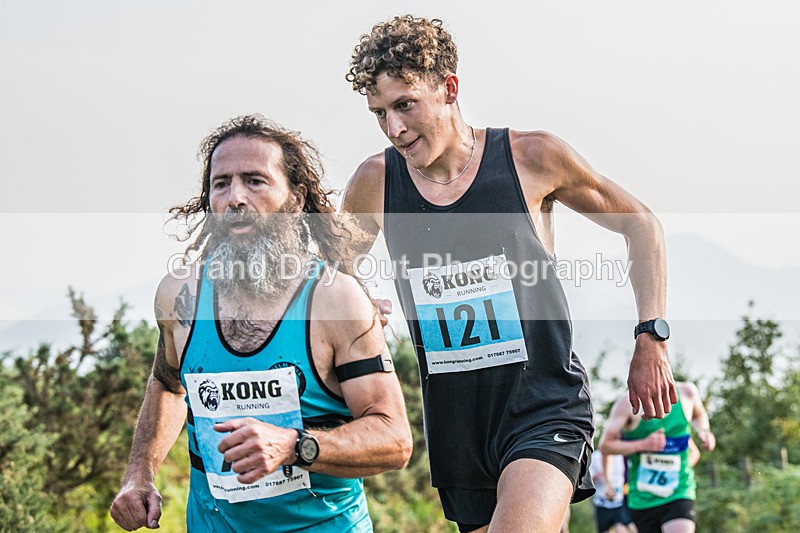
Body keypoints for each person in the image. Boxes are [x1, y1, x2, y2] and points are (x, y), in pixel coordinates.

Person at [342, 15, 677, 533]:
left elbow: (641, 225)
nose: (395, 128)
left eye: (405, 104)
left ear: (449, 88)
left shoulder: (530, 157)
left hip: (543, 408)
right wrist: (362, 306)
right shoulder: (375, 182)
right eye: (379, 113)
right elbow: (334, 272)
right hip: (457, 427)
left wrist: (651, 336)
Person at [109, 115, 413, 532]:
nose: (235, 197)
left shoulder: (335, 301)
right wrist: (139, 474)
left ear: (295, 199)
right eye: (221, 183)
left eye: (255, 180)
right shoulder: (180, 296)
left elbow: (394, 439)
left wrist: (292, 445)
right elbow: (168, 383)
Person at [599, 382, 715, 533]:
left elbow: (699, 414)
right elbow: (605, 446)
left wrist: (704, 430)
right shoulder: (627, 403)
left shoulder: (688, 392)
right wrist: (643, 445)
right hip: (642, 498)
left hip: (679, 491)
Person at [590, 450, 636, 533]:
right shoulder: (595, 456)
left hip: (619, 502)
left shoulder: (621, 455)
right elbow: (588, 481)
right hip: (601, 503)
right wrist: (597, 477)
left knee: (622, 529)